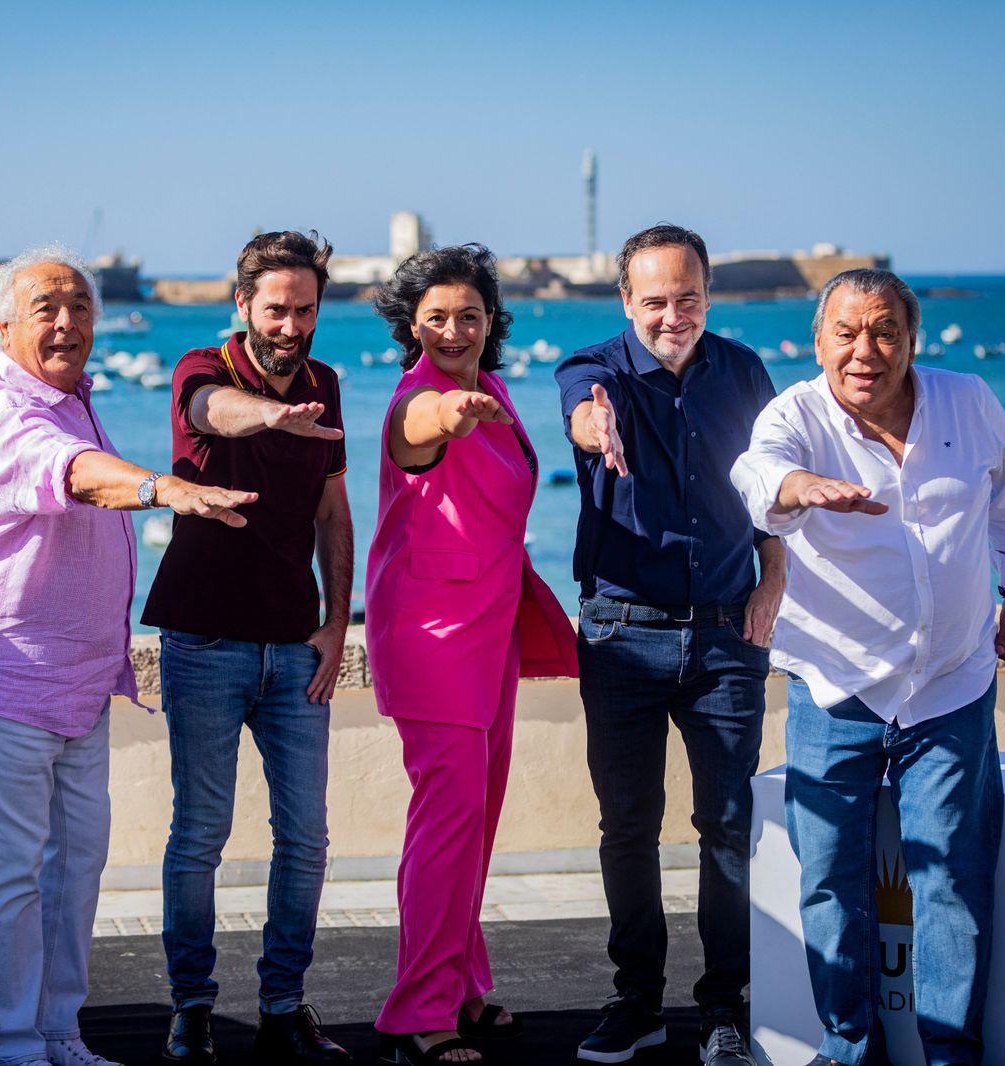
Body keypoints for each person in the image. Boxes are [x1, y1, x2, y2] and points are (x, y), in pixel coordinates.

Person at [0, 245, 253, 1066]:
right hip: (7, 679)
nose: (67, 323)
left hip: (78, 684)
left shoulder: (72, 399)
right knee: (10, 879)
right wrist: (162, 488)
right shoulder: (4, 409)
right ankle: (16, 1048)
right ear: (0, 328)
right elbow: (69, 473)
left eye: (79, 308)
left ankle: (60, 1033)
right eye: (45, 309)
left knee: (73, 877)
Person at [730, 268, 1005, 1066]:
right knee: (830, 882)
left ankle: (952, 1053)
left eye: (884, 332)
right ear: (818, 341)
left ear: (914, 340)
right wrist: (800, 487)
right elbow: (756, 473)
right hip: (833, 686)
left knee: (951, 881)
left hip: (950, 684)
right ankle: (849, 1046)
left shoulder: (967, 400)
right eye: (846, 333)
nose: (865, 351)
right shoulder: (796, 415)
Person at [553, 224, 783, 1066]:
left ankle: (724, 1007)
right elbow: (582, 411)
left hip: (728, 634)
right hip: (622, 635)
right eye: (653, 301)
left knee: (727, 827)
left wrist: (775, 573)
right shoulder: (594, 370)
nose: (672, 315)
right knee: (628, 828)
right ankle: (637, 1003)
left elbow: (769, 489)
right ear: (626, 302)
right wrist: (592, 425)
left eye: (686, 298)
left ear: (708, 294)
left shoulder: (746, 371)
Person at [141, 230, 353, 1066]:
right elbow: (206, 413)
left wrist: (338, 624)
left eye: (304, 309)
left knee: (306, 838)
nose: (291, 325)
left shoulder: (328, 385)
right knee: (201, 834)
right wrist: (269, 414)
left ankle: (282, 1006)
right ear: (242, 306)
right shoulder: (203, 367)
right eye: (276, 308)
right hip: (204, 644)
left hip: (296, 648)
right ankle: (191, 1007)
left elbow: (333, 516)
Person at [365, 245, 578, 1065]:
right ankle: (418, 1015)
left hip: (487, 632)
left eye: (470, 316)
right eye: (437, 318)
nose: (454, 330)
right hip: (431, 636)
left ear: (492, 323)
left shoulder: (491, 389)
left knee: (474, 825)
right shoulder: (418, 398)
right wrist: (443, 418)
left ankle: (460, 984)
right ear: (411, 326)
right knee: (447, 824)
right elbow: (415, 437)